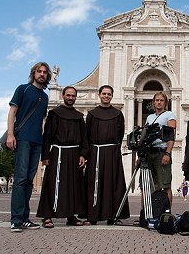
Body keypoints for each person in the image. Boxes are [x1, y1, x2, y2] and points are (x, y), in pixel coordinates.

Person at [6, 62, 51, 232]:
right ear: (33, 73)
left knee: (29, 180)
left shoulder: (45, 97)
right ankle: (16, 219)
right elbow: (12, 112)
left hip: (36, 141)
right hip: (23, 138)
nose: (42, 74)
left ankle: (25, 217)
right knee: (20, 179)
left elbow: (42, 121)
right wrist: (11, 134)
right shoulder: (23, 89)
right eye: (39, 71)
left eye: (44, 72)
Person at [36, 86, 89, 228]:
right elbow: (47, 135)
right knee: (52, 184)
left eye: (73, 96)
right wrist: (45, 155)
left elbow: (84, 138)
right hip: (57, 153)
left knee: (73, 186)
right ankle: (47, 216)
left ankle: (71, 216)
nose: (71, 98)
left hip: (74, 154)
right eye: (68, 95)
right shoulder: (54, 114)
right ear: (63, 96)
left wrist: (83, 154)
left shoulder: (79, 116)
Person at [82, 85, 129, 225]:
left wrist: (114, 150)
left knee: (113, 184)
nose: (106, 96)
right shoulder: (91, 114)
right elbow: (86, 135)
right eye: (104, 94)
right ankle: (93, 216)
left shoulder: (118, 114)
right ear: (99, 95)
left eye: (109, 94)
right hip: (95, 152)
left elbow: (120, 134)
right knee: (94, 184)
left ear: (112, 96)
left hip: (112, 153)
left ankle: (112, 216)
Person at [145, 92, 176, 205]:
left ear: (165, 103)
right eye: (157, 100)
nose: (159, 102)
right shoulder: (149, 117)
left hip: (162, 151)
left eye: (161, 100)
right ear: (153, 102)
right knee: (147, 184)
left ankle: (166, 214)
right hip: (149, 152)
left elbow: (171, 135)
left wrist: (167, 153)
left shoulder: (169, 115)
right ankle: (147, 213)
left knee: (165, 184)